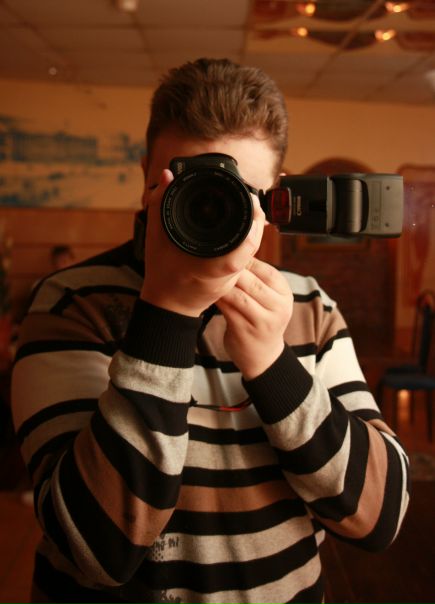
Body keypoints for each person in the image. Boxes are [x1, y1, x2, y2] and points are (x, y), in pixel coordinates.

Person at [11, 58, 409, 604]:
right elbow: (96, 550)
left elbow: (379, 516)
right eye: (189, 186)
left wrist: (273, 364)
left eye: (237, 195)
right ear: (146, 178)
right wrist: (167, 313)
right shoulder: (72, 302)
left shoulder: (309, 306)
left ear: (274, 201)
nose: (211, 211)